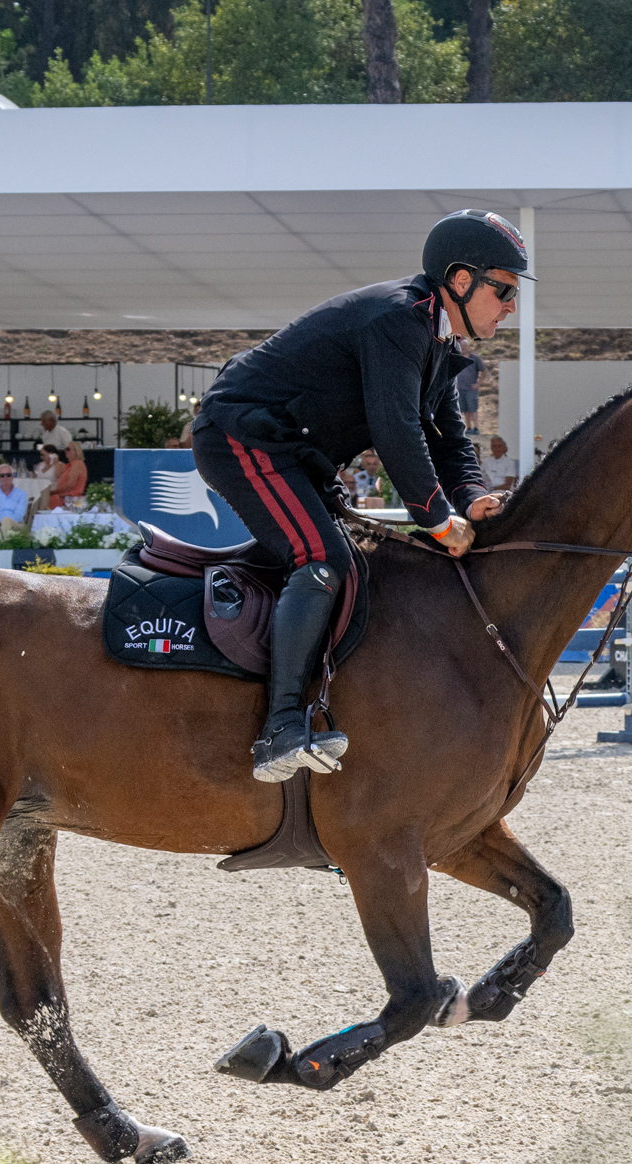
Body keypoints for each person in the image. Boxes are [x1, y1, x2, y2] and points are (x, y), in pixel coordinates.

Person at [193, 208, 518, 781]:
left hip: (291, 452)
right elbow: (397, 430)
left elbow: (450, 439)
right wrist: (438, 520)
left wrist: (472, 499)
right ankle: (280, 732)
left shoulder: (441, 343)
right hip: (241, 436)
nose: (512, 305)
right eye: (504, 290)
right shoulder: (399, 320)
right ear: (461, 281)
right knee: (321, 559)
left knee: (346, 561)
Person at [49, 443, 89, 509]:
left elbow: (70, 485)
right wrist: (55, 463)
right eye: (65, 449)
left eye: (68, 449)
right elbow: (57, 475)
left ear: (76, 451)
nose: (65, 451)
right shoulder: (69, 465)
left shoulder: (77, 464)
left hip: (70, 497)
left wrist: (53, 492)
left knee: (47, 500)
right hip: (64, 496)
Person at [454, 350, 482, 430]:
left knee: (472, 409)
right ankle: (468, 427)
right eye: (462, 346)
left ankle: (476, 427)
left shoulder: (474, 358)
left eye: (465, 346)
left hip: (471, 389)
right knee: (465, 410)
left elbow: (483, 370)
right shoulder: (458, 357)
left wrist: (478, 383)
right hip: (460, 389)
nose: (464, 347)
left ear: (468, 347)